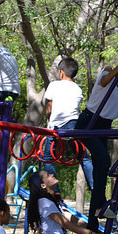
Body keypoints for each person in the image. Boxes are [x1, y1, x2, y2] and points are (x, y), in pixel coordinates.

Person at [74, 51, 118, 232]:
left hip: (104, 125)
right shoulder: (108, 74)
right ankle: (100, 204)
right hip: (89, 122)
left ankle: (94, 218)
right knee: (104, 160)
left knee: (101, 168)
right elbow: (106, 81)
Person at [42, 57, 83, 186]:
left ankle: (56, 192)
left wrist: (49, 121)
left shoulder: (54, 85)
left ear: (61, 72)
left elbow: (49, 107)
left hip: (56, 126)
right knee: (83, 157)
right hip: (74, 124)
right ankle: (94, 188)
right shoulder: (78, 88)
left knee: (48, 159)